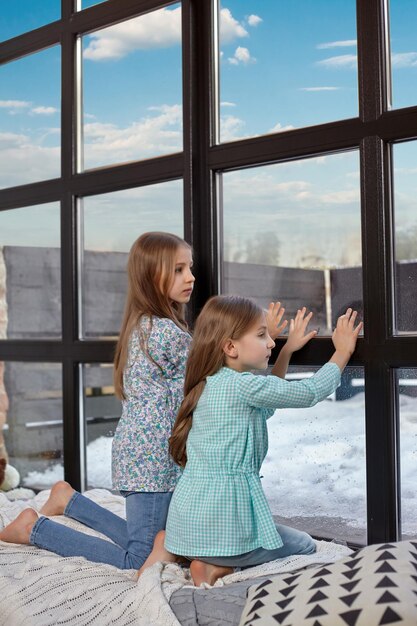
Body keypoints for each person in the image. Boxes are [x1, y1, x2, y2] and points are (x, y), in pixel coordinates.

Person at [0, 231, 196, 570]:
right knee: (140, 558)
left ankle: (68, 500)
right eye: (179, 270)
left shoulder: (145, 325)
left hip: (142, 453)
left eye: (189, 268)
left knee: (155, 544)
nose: (190, 277)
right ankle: (35, 529)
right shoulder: (167, 334)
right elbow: (206, 378)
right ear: (152, 276)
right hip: (153, 462)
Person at [138, 295, 363, 585]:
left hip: (187, 520)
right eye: (262, 335)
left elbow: (268, 400)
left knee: (272, 538)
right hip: (225, 524)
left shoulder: (211, 383)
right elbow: (309, 392)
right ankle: (215, 566)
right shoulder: (243, 386)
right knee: (304, 545)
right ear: (230, 347)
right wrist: (342, 353)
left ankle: (176, 548)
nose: (271, 342)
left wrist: (286, 352)